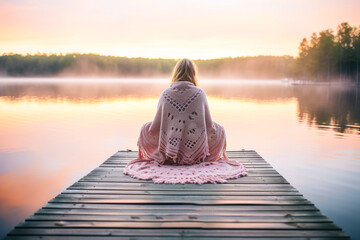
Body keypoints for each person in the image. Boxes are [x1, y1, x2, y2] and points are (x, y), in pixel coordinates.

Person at [123, 58, 247, 184]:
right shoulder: (199, 93)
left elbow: (155, 127)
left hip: (168, 155)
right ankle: (192, 155)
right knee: (220, 130)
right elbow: (209, 126)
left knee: (145, 128)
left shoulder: (166, 94)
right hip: (196, 157)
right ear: (193, 74)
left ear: (176, 73)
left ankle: (172, 154)